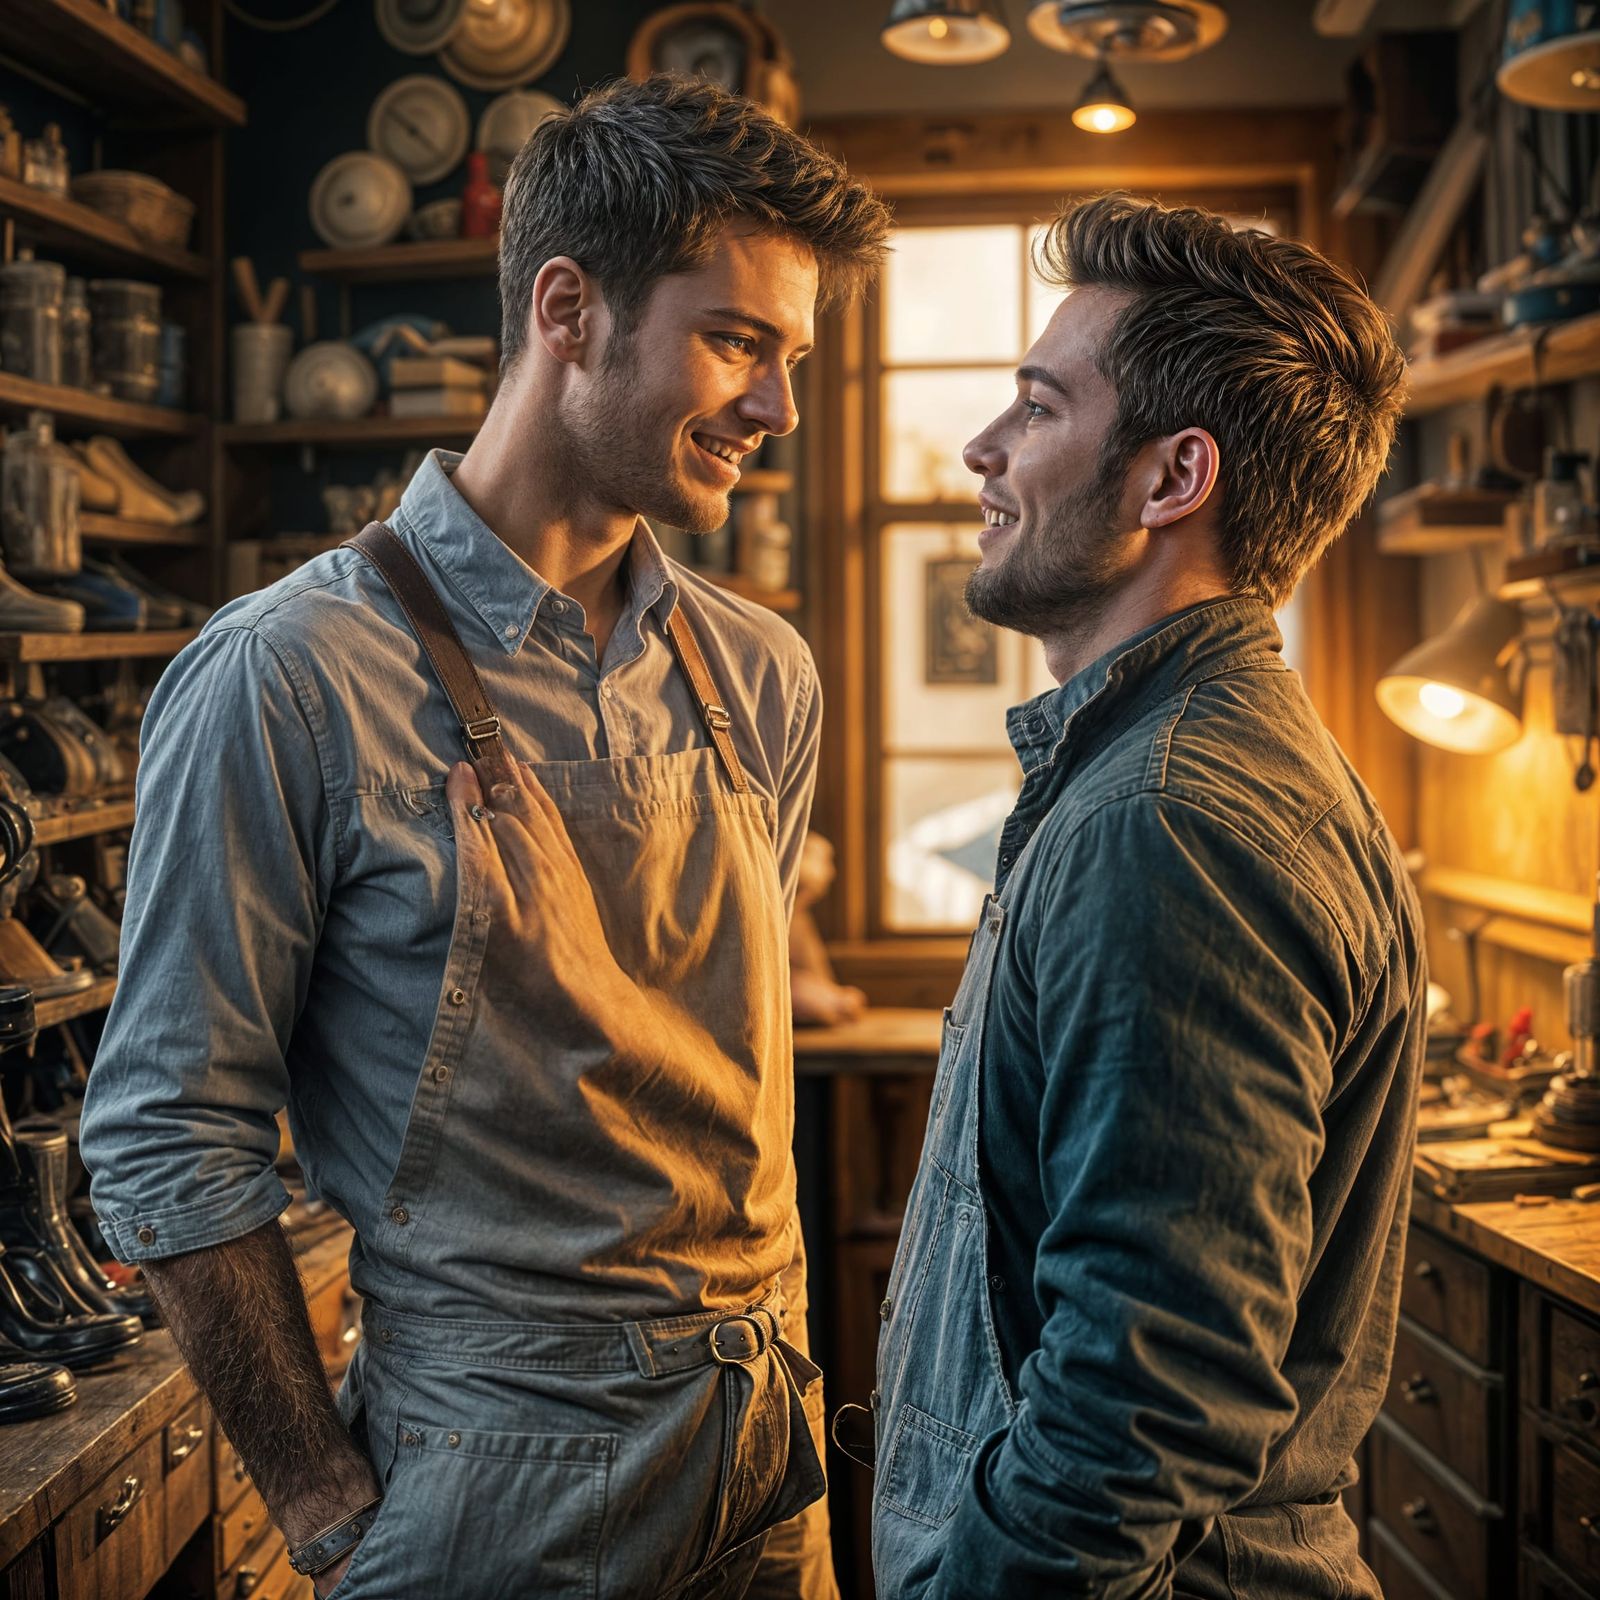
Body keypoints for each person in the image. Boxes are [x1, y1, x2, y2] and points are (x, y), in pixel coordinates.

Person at [78, 75, 888, 1600]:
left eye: (790, 358)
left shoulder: (760, 672)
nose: (778, 407)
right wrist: (323, 1501)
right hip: (495, 1479)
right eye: (737, 342)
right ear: (567, 308)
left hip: (767, 1453)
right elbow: (165, 1130)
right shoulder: (291, 673)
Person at [858, 193, 1424, 1599]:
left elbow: (1146, 1388)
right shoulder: (1155, 772)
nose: (982, 452)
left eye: (1038, 410)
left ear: (1175, 477)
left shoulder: (1166, 820)